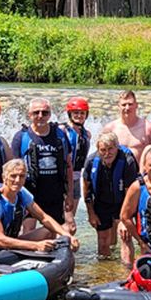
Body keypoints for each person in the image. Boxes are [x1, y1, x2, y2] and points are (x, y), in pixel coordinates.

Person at [0, 158, 79, 253]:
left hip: (9, 243)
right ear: (4, 177)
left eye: (22, 176)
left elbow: (44, 217)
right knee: (39, 242)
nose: (17, 180)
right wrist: (36, 246)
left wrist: (67, 235)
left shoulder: (21, 192)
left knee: (48, 231)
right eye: (13, 176)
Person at [11, 99, 75, 231]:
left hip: (55, 193)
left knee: (57, 231)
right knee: (28, 230)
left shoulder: (60, 135)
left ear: (50, 115)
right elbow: (13, 169)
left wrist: (70, 194)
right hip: (30, 192)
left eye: (44, 113)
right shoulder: (21, 137)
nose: (40, 116)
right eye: (36, 113)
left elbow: (68, 165)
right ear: (29, 115)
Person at [87, 133, 137, 264]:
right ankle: (106, 271)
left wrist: (124, 219)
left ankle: (126, 270)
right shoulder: (91, 162)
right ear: (98, 149)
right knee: (103, 241)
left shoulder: (127, 161)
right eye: (103, 150)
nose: (107, 153)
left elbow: (130, 193)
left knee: (125, 235)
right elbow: (86, 190)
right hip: (102, 202)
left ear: (117, 148)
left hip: (122, 201)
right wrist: (91, 213)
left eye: (111, 149)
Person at [62, 96, 93, 226]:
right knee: (67, 221)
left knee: (70, 219)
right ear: (70, 114)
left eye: (82, 113)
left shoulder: (87, 134)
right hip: (63, 179)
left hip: (76, 178)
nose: (79, 116)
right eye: (76, 113)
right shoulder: (62, 130)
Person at [105, 90, 151, 162]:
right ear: (118, 106)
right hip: (117, 172)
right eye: (124, 105)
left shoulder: (148, 128)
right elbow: (101, 153)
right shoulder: (110, 129)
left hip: (139, 172)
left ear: (136, 105)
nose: (127, 108)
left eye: (130, 104)